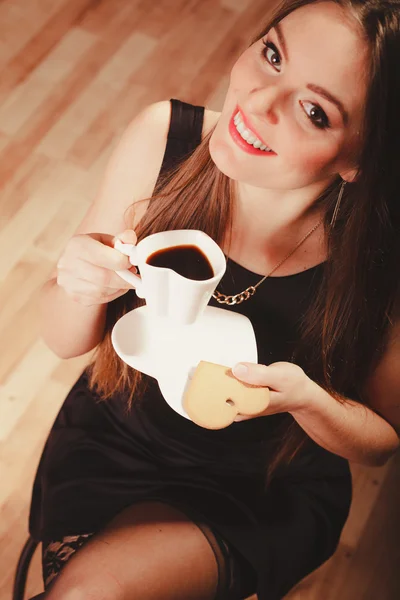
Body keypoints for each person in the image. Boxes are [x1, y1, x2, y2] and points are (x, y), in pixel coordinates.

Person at [29, 1, 400, 599]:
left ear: (361, 157)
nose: (256, 103)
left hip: (265, 484)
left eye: (313, 110)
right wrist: (77, 283)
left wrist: (304, 400)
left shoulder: (381, 254)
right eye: (272, 54)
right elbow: (64, 339)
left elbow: (381, 441)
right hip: (117, 432)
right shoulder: (163, 137)